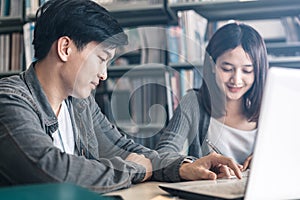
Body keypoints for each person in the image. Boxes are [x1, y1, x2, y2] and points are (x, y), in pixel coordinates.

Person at [0, 0, 242, 193]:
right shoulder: (9, 101)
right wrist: (133, 169)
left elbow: (122, 148)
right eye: (101, 58)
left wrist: (183, 167)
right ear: (65, 48)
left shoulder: (79, 104)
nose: (104, 74)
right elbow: (54, 173)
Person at [156, 22, 268, 171]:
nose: (236, 80)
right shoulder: (193, 102)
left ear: (258, 71)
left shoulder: (270, 107)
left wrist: (272, 157)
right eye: (227, 69)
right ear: (212, 65)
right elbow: (163, 154)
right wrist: (193, 166)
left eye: (247, 71)